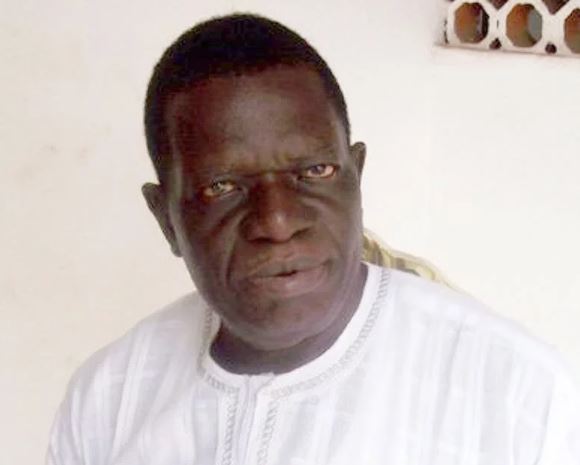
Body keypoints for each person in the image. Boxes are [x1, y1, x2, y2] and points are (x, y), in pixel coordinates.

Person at [47, 13, 580, 465]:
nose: (277, 222)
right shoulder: (111, 396)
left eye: (315, 172)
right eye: (223, 187)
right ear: (166, 219)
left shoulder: (518, 396)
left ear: (357, 178)